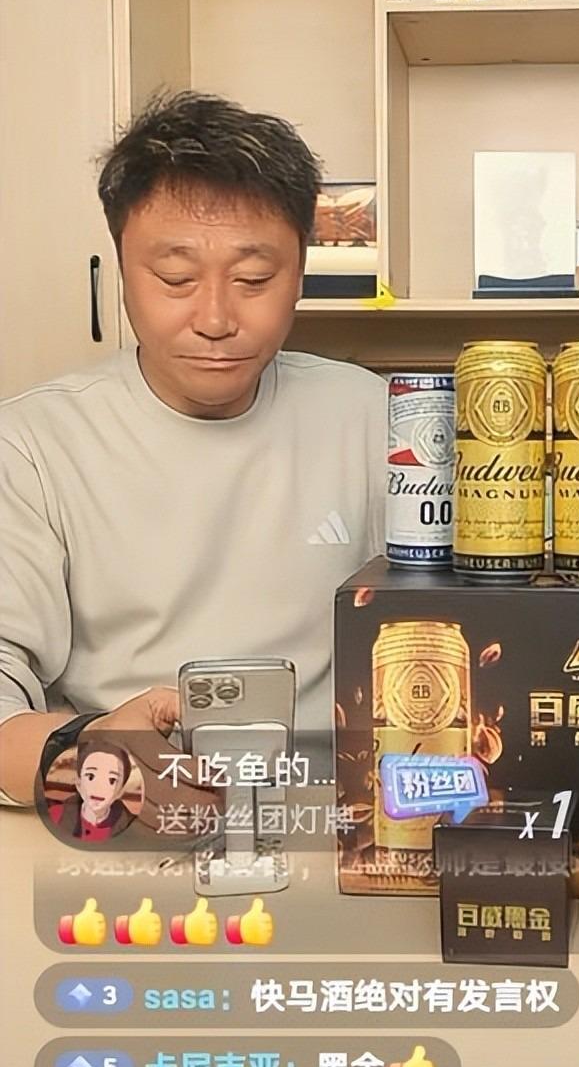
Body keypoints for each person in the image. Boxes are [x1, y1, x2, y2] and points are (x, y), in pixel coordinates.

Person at [0, 93, 387, 807]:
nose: (214, 318)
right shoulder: (31, 446)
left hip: (335, 812)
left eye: (253, 280)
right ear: (119, 269)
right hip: (117, 808)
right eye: (175, 279)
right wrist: (88, 754)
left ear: (301, 273)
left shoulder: (374, 421)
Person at [48, 741, 137, 841]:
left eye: (112, 780)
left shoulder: (133, 828)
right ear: (78, 783)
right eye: (91, 776)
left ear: (120, 791)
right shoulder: (55, 815)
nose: (99, 788)